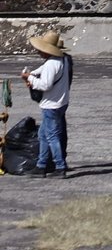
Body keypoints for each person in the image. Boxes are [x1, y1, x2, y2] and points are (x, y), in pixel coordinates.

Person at [22, 31, 74, 177]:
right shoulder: (62, 60)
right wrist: (31, 75)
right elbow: (41, 71)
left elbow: (45, 85)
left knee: (51, 136)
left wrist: (30, 79)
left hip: (52, 104)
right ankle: (41, 165)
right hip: (60, 102)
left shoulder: (52, 64)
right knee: (43, 135)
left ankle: (60, 166)